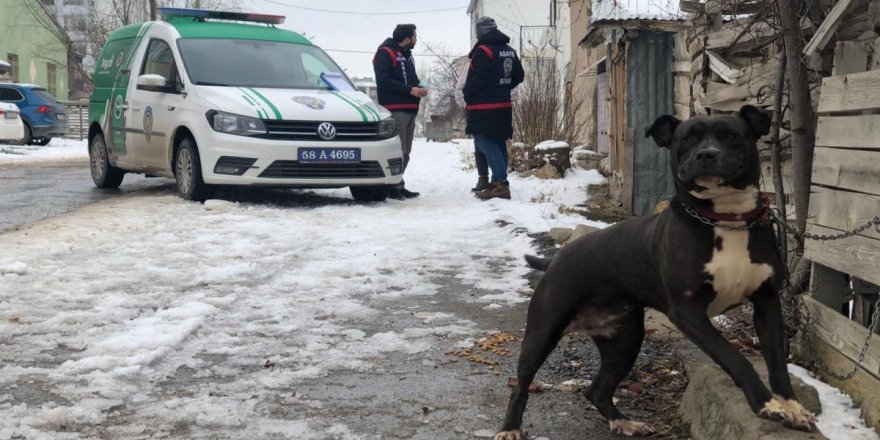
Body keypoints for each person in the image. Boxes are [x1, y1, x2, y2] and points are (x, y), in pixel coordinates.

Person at [463, 17, 524, 200]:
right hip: (503, 105)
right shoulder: (509, 51)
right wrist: (502, 87)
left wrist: (468, 93)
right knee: (498, 142)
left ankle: (501, 184)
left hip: (483, 106)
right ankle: (498, 181)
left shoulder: (484, 51)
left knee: (484, 141)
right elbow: (519, 76)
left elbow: (478, 79)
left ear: (480, 32)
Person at [373, 23, 427, 199]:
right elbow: (384, 81)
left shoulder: (408, 56)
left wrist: (419, 87)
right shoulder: (385, 53)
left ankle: (397, 183)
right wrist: (409, 90)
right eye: (414, 37)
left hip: (411, 109)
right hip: (396, 109)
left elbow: (410, 80)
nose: (416, 40)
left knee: (406, 151)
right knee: (398, 150)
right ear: (406, 39)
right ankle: (390, 185)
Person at [455, 58, 489, 192]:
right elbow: (460, 88)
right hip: (479, 109)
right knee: (480, 143)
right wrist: (466, 105)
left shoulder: (498, 57)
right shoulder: (473, 62)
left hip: (491, 108)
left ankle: (498, 180)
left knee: (493, 144)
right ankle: (484, 178)